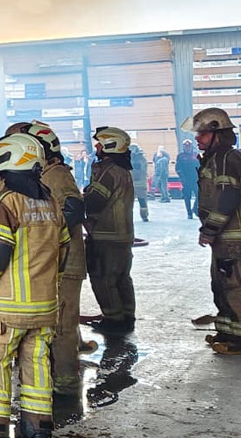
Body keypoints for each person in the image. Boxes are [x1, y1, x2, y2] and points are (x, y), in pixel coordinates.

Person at [0, 133, 68, 438]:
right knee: (37, 371)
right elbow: (64, 248)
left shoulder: (6, 200)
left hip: (7, 310)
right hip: (44, 309)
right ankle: (38, 430)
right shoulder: (49, 199)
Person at [5, 122, 89, 395]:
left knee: (62, 324)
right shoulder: (39, 177)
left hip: (64, 263)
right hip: (48, 264)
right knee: (50, 322)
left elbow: (74, 207)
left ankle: (66, 384)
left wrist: (46, 230)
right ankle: (49, 374)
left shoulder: (57, 175)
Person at [182, 108, 241, 354]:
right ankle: (227, 331)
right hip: (224, 238)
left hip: (234, 237)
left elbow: (226, 197)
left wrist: (210, 229)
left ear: (217, 133)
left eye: (202, 134)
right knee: (221, 285)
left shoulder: (227, 159)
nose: (197, 138)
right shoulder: (215, 158)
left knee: (235, 286)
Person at [84, 126, 136, 334]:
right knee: (122, 278)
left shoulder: (107, 171)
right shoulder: (122, 170)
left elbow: (94, 202)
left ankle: (113, 320)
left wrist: (79, 200)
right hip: (122, 235)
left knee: (104, 279)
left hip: (106, 235)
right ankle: (126, 317)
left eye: (99, 143)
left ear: (109, 146)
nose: (96, 146)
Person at [176, 139, 200, 220]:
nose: (187, 148)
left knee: (199, 195)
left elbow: (201, 166)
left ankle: (195, 208)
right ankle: (189, 213)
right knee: (187, 197)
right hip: (186, 180)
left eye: (189, 146)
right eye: (185, 146)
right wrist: (183, 179)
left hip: (196, 179)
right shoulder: (180, 156)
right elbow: (178, 168)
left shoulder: (196, 155)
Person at [129, 144, 149, 222]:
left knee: (142, 201)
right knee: (129, 203)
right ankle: (128, 216)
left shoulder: (142, 160)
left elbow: (142, 171)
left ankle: (144, 215)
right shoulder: (127, 159)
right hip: (130, 184)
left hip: (140, 184)